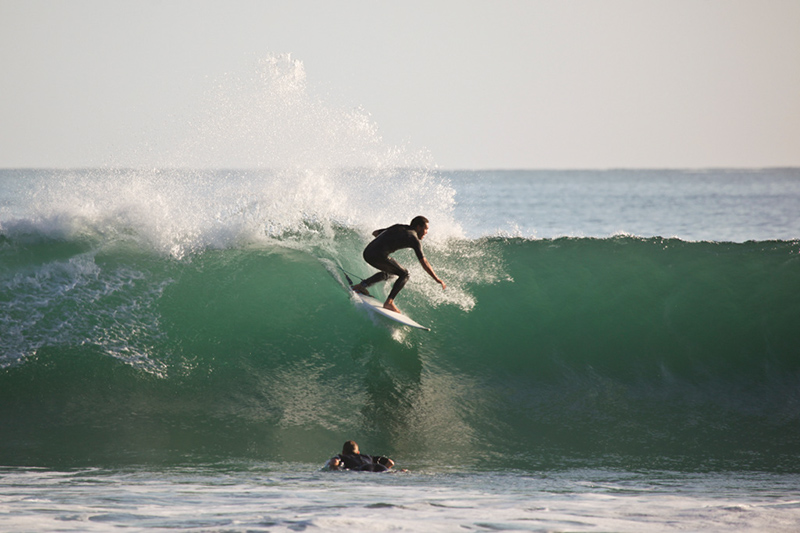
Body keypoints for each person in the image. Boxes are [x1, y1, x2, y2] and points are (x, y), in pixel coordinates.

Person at [351, 216, 446, 314]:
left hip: (367, 253)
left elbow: (375, 233)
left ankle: (361, 286)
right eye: (425, 229)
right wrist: (437, 279)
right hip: (378, 256)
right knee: (405, 274)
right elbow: (424, 263)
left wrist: (387, 244)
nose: (426, 232)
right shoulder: (414, 238)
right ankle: (389, 302)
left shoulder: (399, 227)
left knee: (392, 273)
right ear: (418, 227)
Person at [327, 440, 395, 472]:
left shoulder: (343, 457)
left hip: (363, 468)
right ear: (358, 452)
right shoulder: (368, 456)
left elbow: (334, 461)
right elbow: (391, 463)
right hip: (379, 467)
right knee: (390, 472)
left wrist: (336, 470)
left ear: (343, 452)